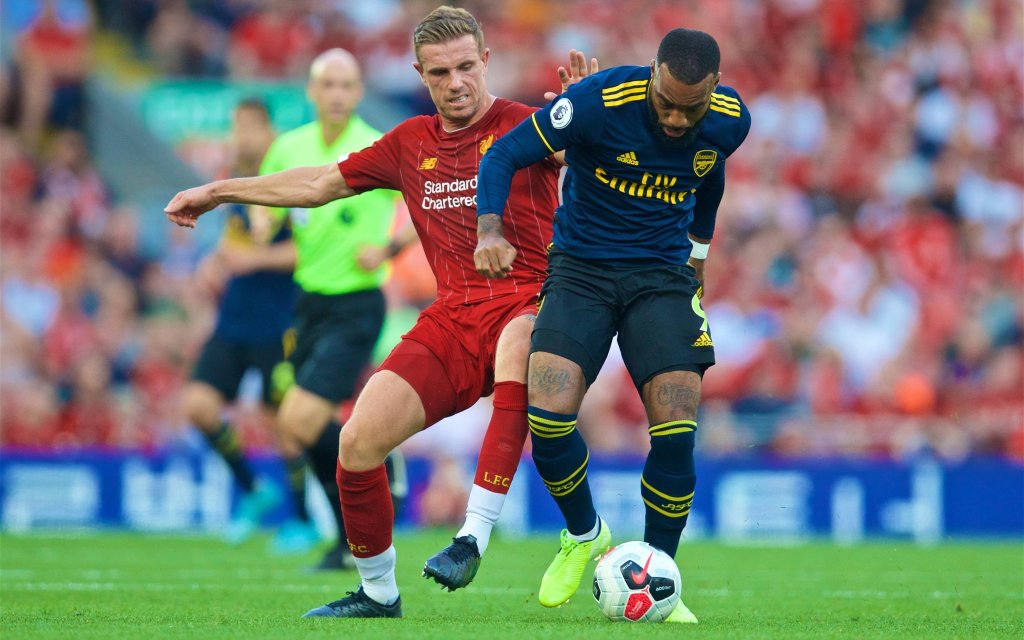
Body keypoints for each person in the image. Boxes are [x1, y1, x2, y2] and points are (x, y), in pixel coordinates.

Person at [165, 5, 595, 618]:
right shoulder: (408, 143)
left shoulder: (528, 125)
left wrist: (586, 119)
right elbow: (316, 185)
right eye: (440, 72)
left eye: (466, 66)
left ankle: (471, 535)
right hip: (450, 319)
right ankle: (377, 592)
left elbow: (590, 168)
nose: (456, 82)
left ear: (486, 62)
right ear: (421, 75)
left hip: (528, 304)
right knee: (358, 443)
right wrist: (219, 190)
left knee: (517, 347)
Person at [473, 28, 751, 624]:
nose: (677, 119)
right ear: (651, 75)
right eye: (667, 102)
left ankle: (662, 577)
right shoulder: (599, 102)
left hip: (661, 276)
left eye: (691, 107)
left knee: (677, 426)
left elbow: (710, 172)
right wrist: (489, 229)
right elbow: (503, 154)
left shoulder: (729, 120)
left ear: (715, 91)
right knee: (546, 416)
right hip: (581, 270)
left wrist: (699, 256)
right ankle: (583, 533)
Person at [246, 48, 407, 571]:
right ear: (312, 92)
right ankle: (350, 530)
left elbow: (425, 204)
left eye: (347, 85)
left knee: (299, 416)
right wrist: (259, 221)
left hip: (357, 302)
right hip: (307, 303)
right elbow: (264, 194)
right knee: (297, 428)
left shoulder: (379, 145)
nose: (337, 94)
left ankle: (369, 493)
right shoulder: (289, 147)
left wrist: (387, 249)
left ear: (358, 92)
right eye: (328, 85)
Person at [181, 98, 317, 551]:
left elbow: (306, 250)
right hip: (234, 318)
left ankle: (301, 520)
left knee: (283, 423)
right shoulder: (236, 185)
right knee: (198, 405)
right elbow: (236, 240)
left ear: (268, 132)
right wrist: (214, 263)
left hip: (279, 321)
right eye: (235, 126)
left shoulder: (289, 182)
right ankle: (254, 490)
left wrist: (252, 259)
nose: (241, 136)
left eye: (249, 127)